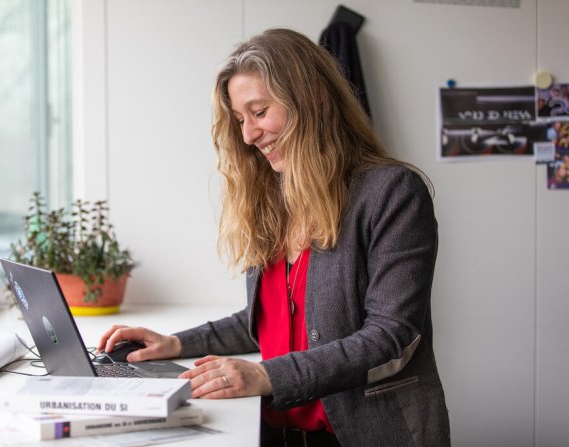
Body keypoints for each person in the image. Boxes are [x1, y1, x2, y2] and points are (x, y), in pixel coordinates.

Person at [97, 28, 450, 446]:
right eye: (240, 119)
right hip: (275, 434)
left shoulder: (391, 192)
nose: (248, 135)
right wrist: (173, 343)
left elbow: (392, 337)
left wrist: (265, 375)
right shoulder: (274, 201)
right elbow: (265, 323)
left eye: (260, 112)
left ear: (313, 98)